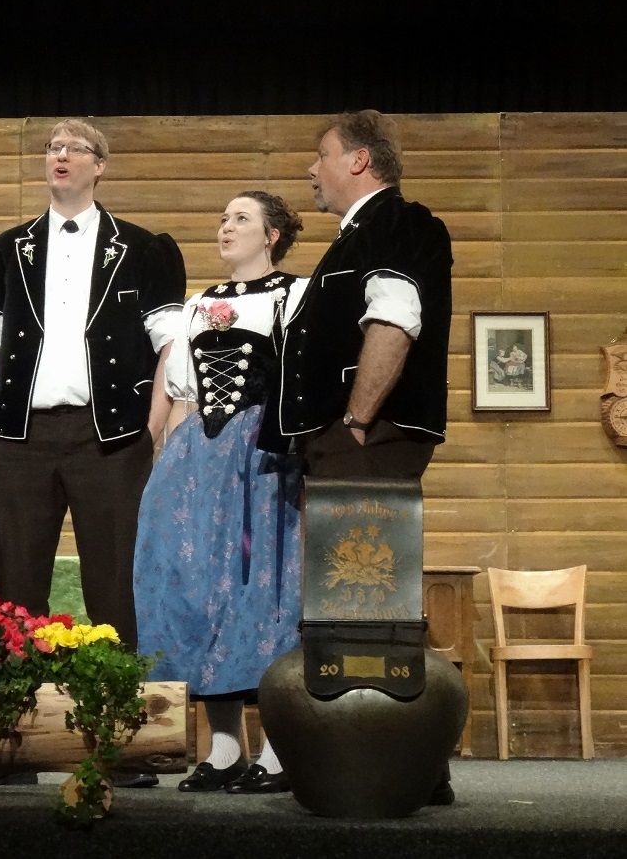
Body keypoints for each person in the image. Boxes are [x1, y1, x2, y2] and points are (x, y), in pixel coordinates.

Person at [0, 118, 186, 788]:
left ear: (100, 165)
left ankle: (123, 744)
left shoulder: (145, 249)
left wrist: (151, 428)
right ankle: (10, 745)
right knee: (12, 588)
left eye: (74, 149)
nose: (60, 157)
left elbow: (170, 343)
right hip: (18, 439)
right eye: (52, 148)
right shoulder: (4, 248)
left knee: (116, 586)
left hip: (109, 437)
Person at [268, 109, 454, 804]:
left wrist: (354, 420)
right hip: (352, 440)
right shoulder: (360, 233)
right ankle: (410, 764)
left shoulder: (396, 222)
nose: (310, 170)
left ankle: (380, 768)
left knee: (363, 601)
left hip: (368, 439)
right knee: (369, 602)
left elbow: (395, 318)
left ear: (357, 161)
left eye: (321, 156)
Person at [134, 191, 307, 795]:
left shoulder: (295, 294)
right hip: (199, 457)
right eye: (223, 218)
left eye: (241, 219)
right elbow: (184, 396)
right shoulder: (199, 304)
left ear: (273, 235)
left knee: (263, 593)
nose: (226, 227)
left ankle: (280, 752)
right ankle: (226, 748)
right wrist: (172, 472)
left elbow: (301, 384)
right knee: (202, 591)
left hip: (263, 454)